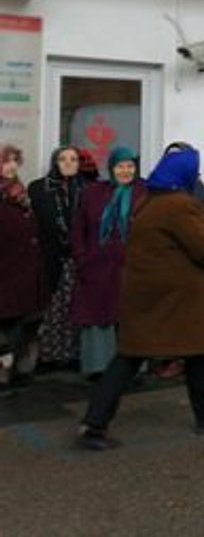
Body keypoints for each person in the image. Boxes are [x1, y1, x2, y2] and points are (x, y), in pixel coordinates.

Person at [76, 147, 204, 450]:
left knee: (145, 355)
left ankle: (94, 423)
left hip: (147, 294)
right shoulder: (181, 205)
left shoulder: (148, 200)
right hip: (177, 297)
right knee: (191, 352)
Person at [70, 148, 146, 378]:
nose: (125, 171)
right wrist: (81, 257)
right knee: (97, 316)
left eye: (130, 166)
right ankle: (99, 367)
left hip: (132, 265)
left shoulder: (144, 193)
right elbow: (78, 227)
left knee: (131, 316)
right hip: (96, 264)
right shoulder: (93, 193)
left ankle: (133, 369)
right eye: (120, 166)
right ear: (111, 168)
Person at [28, 145, 85, 367]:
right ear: (55, 162)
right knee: (50, 308)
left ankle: (72, 354)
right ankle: (49, 356)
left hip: (77, 257)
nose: (69, 163)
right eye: (63, 159)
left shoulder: (85, 188)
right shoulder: (39, 188)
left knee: (74, 306)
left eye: (74, 159)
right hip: (49, 256)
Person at [1, 144, 46, 396]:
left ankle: (18, 372)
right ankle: (4, 374)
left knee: (22, 323)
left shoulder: (21, 194)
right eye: (5, 162)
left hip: (26, 270)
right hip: (6, 269)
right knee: (6, 326)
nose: (10, 167)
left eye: (14, 161)